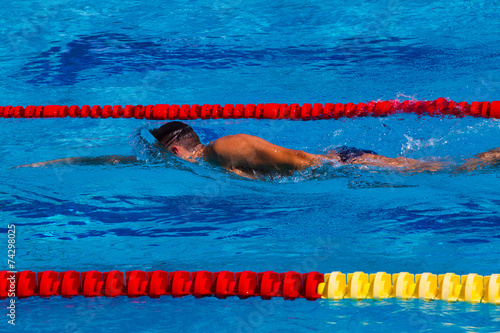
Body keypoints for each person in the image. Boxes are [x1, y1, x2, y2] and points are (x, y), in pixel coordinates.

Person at [16, 121, 500, 178]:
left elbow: (303, 164)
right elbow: (123, 160)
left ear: (176, 149)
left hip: (344, 164)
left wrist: (340, 170)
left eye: (159, 152)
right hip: (336, 162)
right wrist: (62, 160)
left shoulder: (230, 147)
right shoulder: (205, 159)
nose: (155, 158)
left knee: (447, 172)